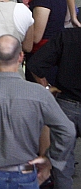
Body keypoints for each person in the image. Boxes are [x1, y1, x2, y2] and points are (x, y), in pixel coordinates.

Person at [0, 35, 73, 188]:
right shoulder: (39, 93)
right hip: (25, 173)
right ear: (21, 57)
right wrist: (51, 160)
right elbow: (67, 130)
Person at [27, 27, 81, 189]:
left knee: (62, 159)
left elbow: (35, 64)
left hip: (66, 106)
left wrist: (46, 88)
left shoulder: (67, 36)